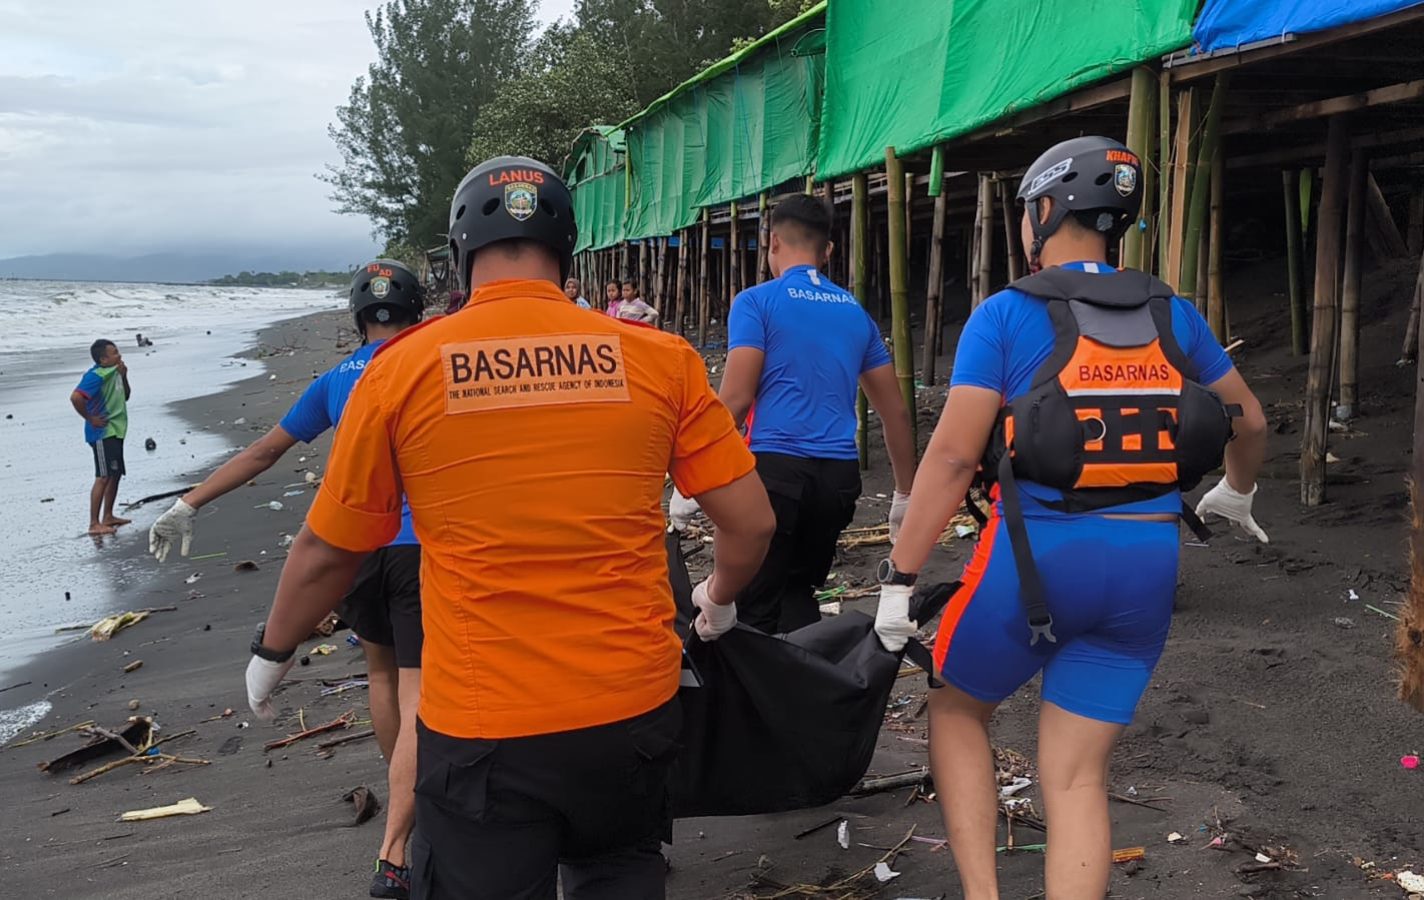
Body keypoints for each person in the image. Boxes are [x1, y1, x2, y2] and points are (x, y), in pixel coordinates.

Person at [243, 155, 775, 900]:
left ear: (461, 253)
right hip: (632, 711)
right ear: (567, 248)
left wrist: (274, 650)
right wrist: (717, 600)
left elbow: (331, 548)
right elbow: (751, 524)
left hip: (483, 728)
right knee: (620, 869)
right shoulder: (661, 359)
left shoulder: (399, 370)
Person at [874, 136, 1268, 900]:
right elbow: (1248, 421)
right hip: (1146, 570)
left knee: (957, 711)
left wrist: (900, 578)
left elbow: (951, 460)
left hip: (1035, 564)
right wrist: (1238, 492)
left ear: (1048, 209)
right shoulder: (1174, 314)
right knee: (1078, 776)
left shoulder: (1006, 315)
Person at [148, 260, 426, 899]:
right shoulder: (430, 363)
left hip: (354, 547)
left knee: (381, 675)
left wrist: (189, 502)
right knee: (420, 688)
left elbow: (264, 451)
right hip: (421, 547)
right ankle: (400, 842)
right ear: (417, 311)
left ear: (358, 317)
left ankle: (401, 788)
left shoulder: (335, 380)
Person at [679, 192, 916, 634]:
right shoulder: (855, 312)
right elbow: (896, 414)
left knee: (752, 607)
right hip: (838, 482)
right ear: (828, 251)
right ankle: (800, 670)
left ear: (771, 242)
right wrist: (904, 494)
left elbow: (737, 399)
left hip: (774, 474)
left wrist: (694, 474)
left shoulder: (756, 302)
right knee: (798, 593)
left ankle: (754, 677)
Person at [70, 339, 132, 536]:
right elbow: (76, 397)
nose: (119, 355)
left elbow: (126, 396)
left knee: (115, 473)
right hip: (101, 433)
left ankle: (108, 516)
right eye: (114, 353)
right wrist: (90, 418)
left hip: (116, 429)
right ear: (103, 359)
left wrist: (124, 376)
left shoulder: (114, 372)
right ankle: (93, 523)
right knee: (103, 476)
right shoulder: (95, 375)